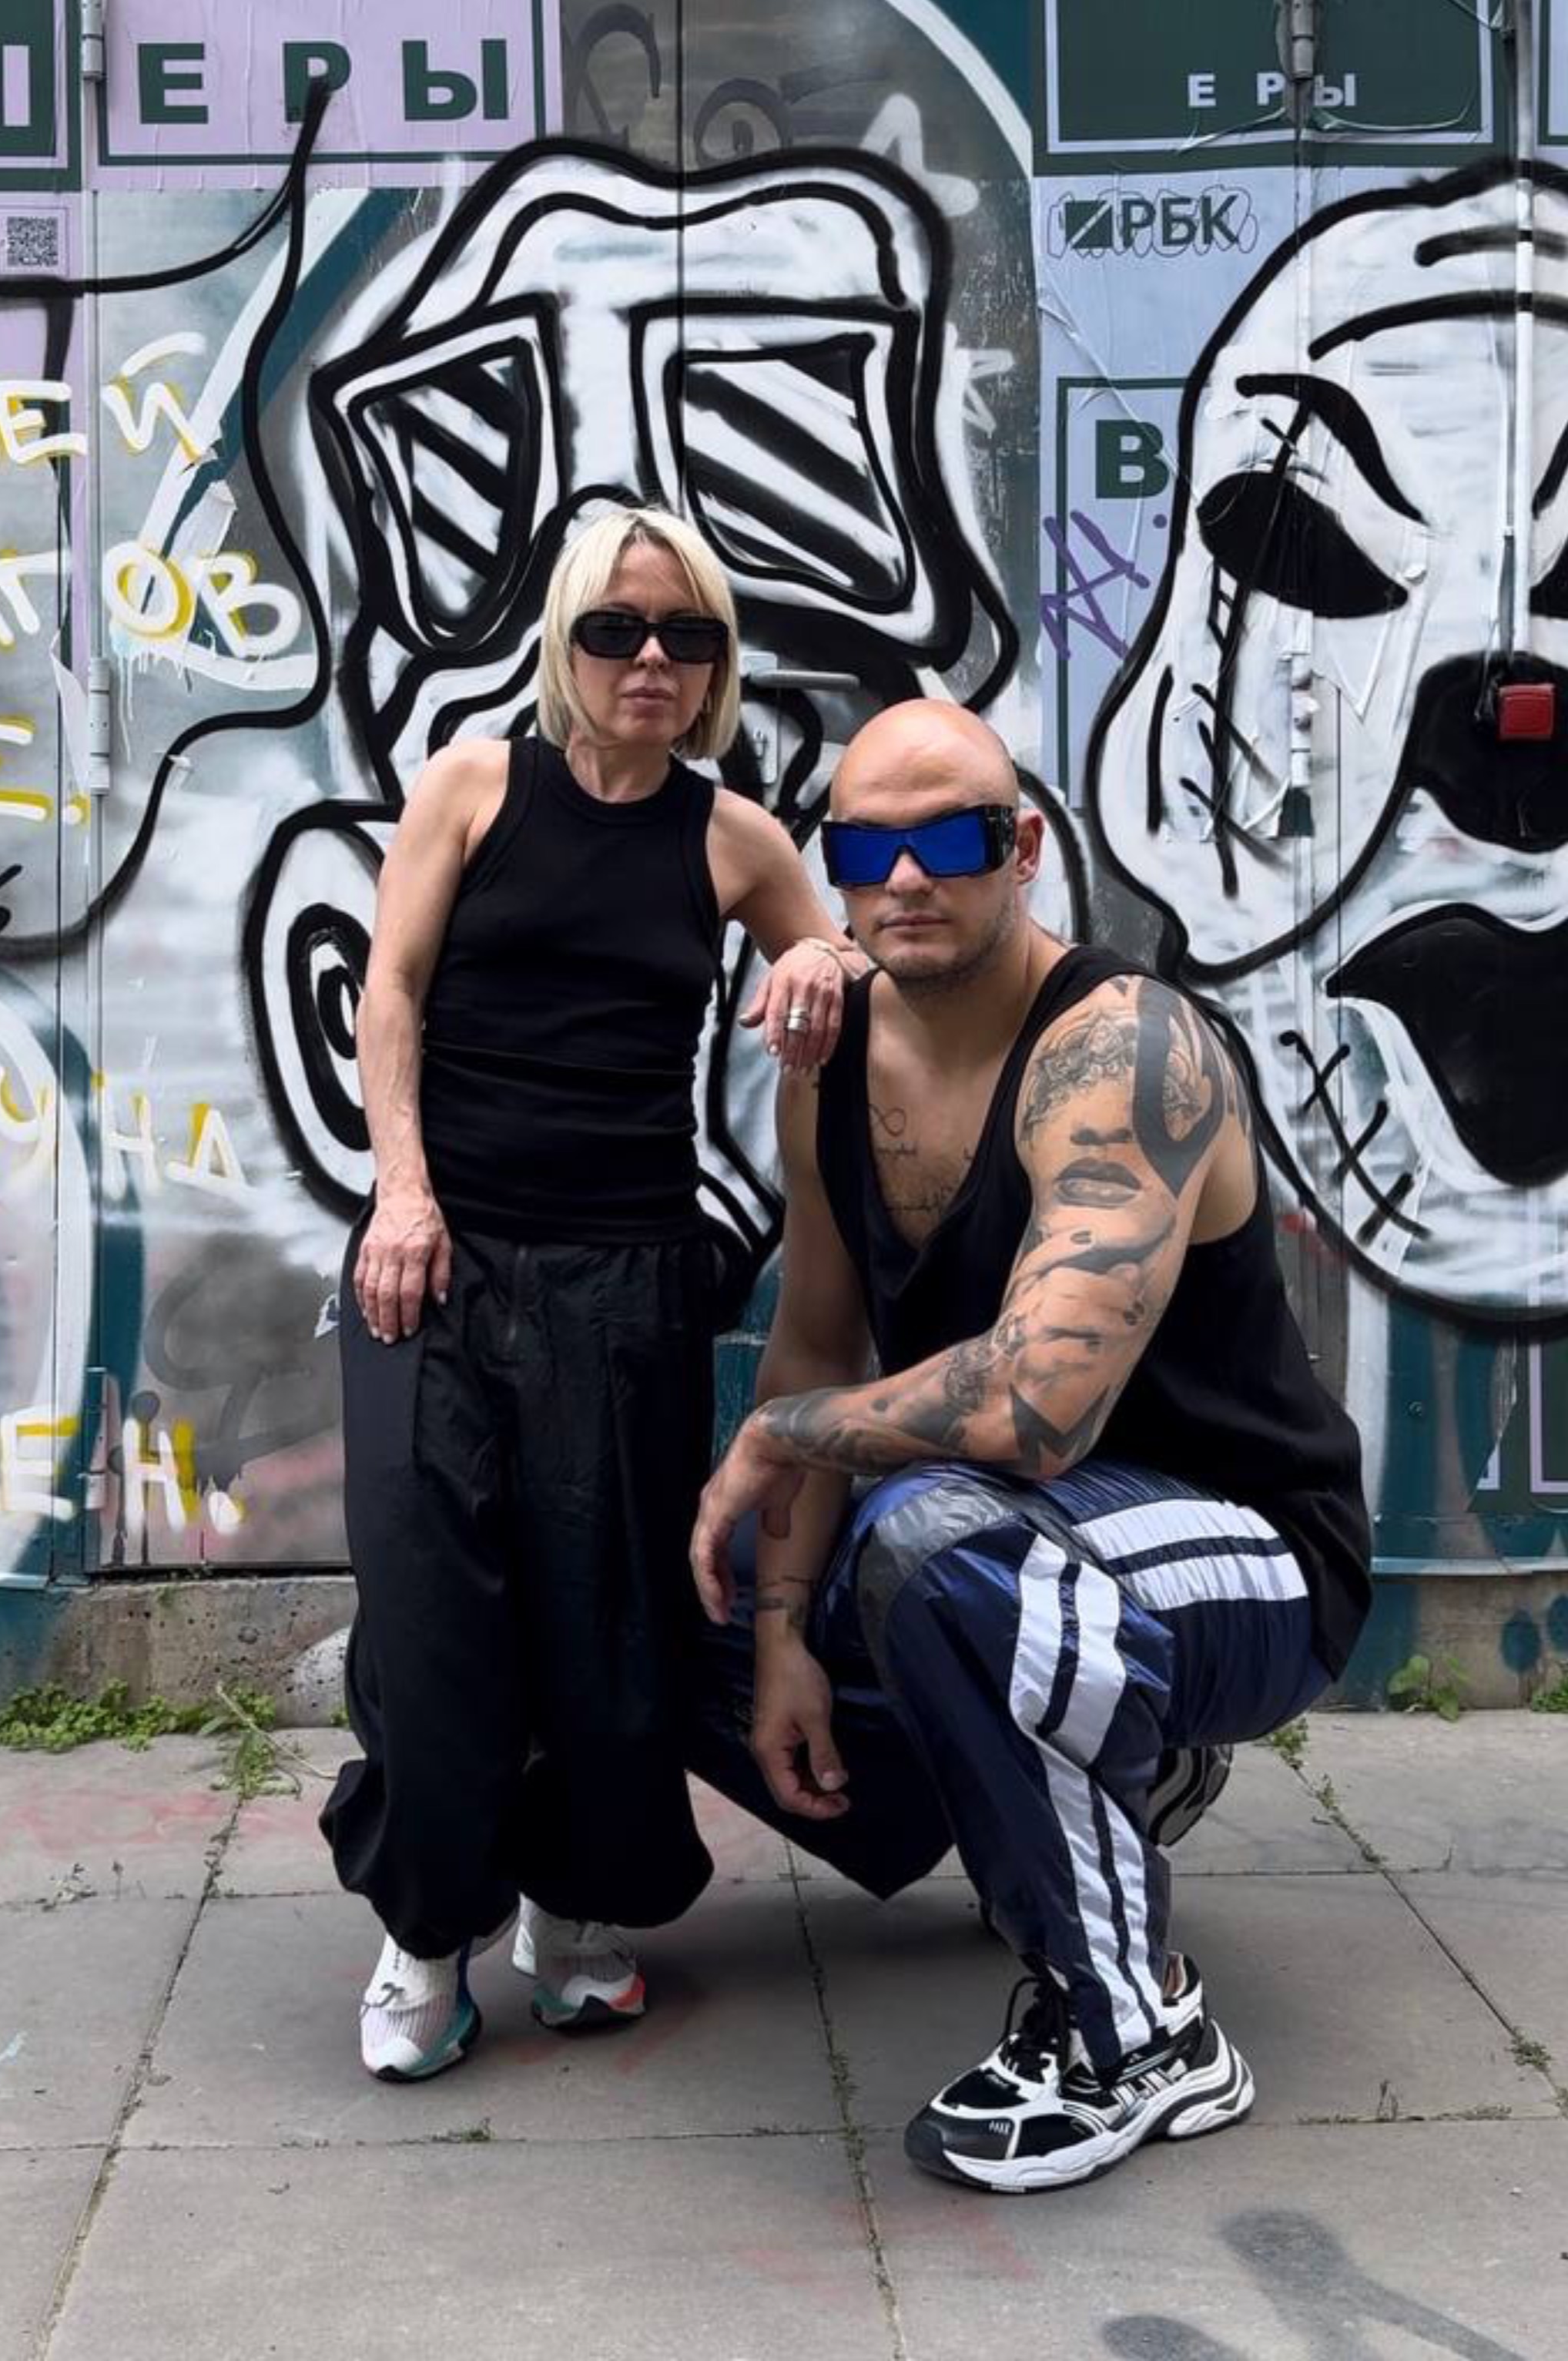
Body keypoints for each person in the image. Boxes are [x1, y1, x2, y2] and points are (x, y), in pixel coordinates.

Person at [689, 697, 1372, 2195]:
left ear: (1022, 850)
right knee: (684, 1581)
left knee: (935, 1536)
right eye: (865, 849)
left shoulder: (1121, 1048)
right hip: (1034, 1535)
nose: (904, 879)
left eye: (950, 840)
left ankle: (1138, 2032)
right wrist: (782, 1634)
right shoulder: (828, 1060)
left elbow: (1033, 1411)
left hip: (1246, 1545)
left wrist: (784, 1439)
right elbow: (817, 1345)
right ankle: (1095, 1779)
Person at [322, 504, 864, 2081]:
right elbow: (391, 988)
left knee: (612, 1616)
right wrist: (402, 1191)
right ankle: (429, 1930)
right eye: (616, 629)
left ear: (716, 662)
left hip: (628, 1274)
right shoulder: (474, 785)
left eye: (686, 636)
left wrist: (823, 964)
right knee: (430, 1615)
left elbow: (845, 964)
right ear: (563, 641)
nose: (650, 662)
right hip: (436, 1256)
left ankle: (573, 1910)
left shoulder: (732, 838)